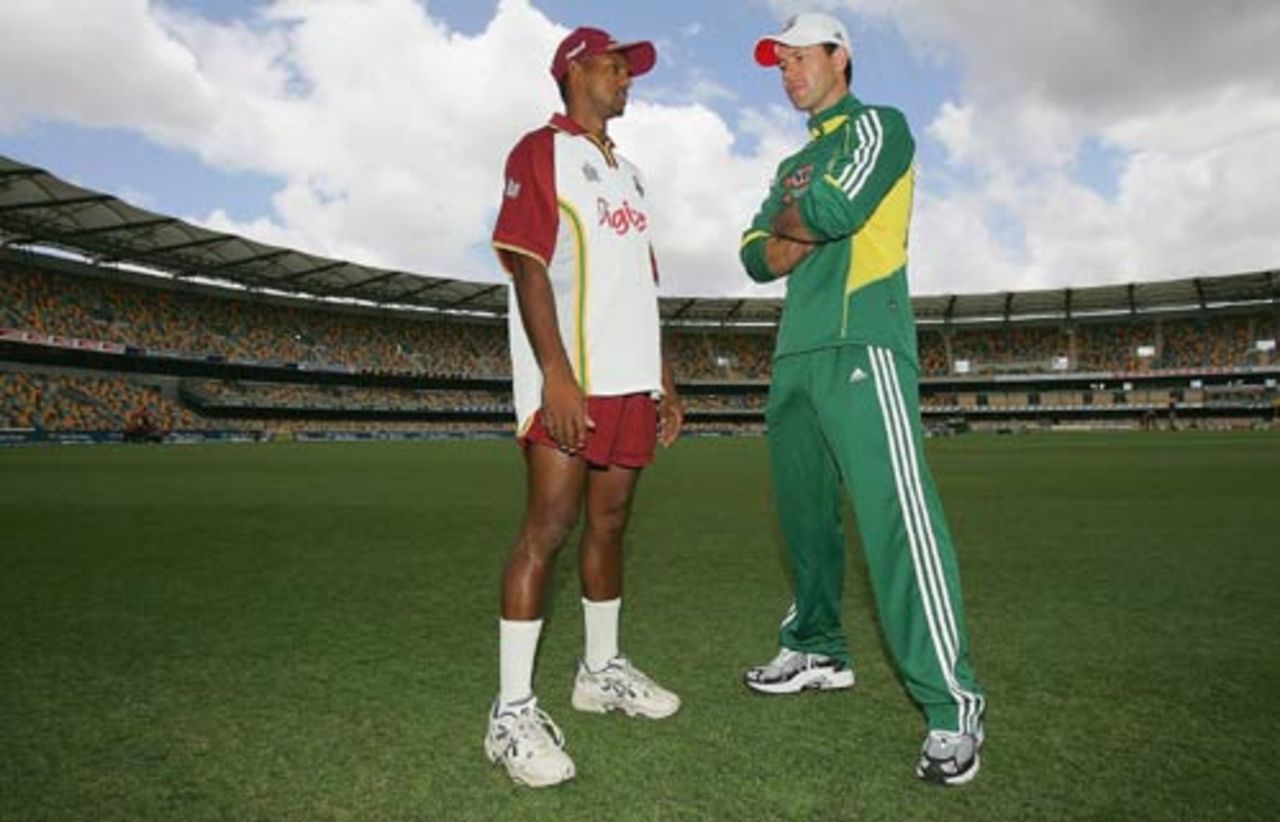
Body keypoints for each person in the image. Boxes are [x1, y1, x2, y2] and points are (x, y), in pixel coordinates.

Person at [738, 12, 987, 786]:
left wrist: (798, 223)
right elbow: (753, 256)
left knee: (896, 522)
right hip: (798, 356)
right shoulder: (793, 161)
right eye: (778, 64)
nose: (786, 72)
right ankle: (818, 647)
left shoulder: (880, 126)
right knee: (804, 520)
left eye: (798, 58)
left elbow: (840, 213)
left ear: (840, 57)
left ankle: (952, 705)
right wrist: (796, 222)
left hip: (864, 344)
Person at [485, 25, 684, 788]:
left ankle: (600, 672)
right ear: (574, 72)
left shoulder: (628, 173)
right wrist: (556, 377)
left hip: (630, 380)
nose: (627, 77)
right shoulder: (538, 150)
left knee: (610, 524)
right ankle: (510, 711)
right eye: (614, 65)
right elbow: (528, 269)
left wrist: (664, 375)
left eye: (629, 68)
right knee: (548, 529)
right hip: (573, 379)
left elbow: (643, 284)